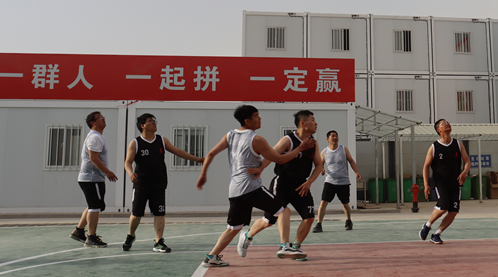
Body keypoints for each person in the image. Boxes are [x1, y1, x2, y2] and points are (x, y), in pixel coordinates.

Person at [196, 105, 316, 267]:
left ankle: (211, 257)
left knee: (233, 227)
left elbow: (210, 154)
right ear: (247, 120)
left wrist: (203, 174)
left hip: (235, 190)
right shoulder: (257, 139)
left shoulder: (230, 135)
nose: (260, 119)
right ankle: (285, 247)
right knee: (283, 211)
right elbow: (280, 159)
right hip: (251, 187)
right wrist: (300, 148)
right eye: (257, 116)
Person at [122, 113, 205, 253]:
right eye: (150, 121)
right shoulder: (135, 143)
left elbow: (178, 151)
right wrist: (130, 174)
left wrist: (197, 159)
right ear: (143, 126)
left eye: (155, 120)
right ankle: (131, 235)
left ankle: (158, 241)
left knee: (159, 213)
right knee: (136, 214)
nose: (154, 122)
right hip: (141, 183)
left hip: (159, 183)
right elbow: (128, 162)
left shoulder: (161, 140)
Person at [262, 110, 322, 261]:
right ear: (303, 123)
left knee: (309, 218)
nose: (316, 123)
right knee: (269, 221)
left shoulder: (313, 143)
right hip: (282, 183)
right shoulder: (288, 140)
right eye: (312, 120)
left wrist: (309, 182)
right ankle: (248, 235)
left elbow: (319, 165)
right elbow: (270, 155)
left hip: (301, 185)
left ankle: (294, 247)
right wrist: (259, 169)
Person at [69, 111, 118, 248]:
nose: (103, 119)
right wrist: (107, 172)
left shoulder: (97, 136)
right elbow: (93, 158)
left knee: (93, 205)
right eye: (99, 118)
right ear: (93, 123)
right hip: (91, 178)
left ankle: (79, 231)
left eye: (103, 117)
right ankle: (91, 237)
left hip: (93, 178)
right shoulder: (95, 137)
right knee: (95, 207)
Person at [418, 119, 471, 244]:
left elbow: (467, 161)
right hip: (440, 181)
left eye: (447, 122)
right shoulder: (434, 147)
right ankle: (427, 225)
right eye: (443, 123)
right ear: (438, 130)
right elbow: (426, 166)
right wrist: (426, 184)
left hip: (455, 182)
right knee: (443, 206)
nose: (447, 123)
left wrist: (464, 172)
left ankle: (436, 234)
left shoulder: (458, 144)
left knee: (453, 211)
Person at [312, 130, 361, 233]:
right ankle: (319, 224)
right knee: (323, 203)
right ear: (328, 139)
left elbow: (351, 161)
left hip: (343, 182)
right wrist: (321, 170)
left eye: (336, 136)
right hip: (330, 182)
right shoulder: (324, 152)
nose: (335, 138)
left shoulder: (343, 149)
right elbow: (320, 165)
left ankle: (348, 221)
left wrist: (356, 172)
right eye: (332, 136)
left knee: (345, 204)